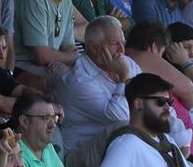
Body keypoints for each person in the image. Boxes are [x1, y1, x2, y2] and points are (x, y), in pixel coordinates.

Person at [95, 72, 193, 167]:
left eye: (169, 102)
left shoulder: (167, 141)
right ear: (138, 104)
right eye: (160, 101)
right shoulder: (127, 144)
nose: (167, 107)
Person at [59, 15, 140, 152]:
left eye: (123, 43)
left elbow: (151, 96)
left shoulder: (126, 62)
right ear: (93, 48)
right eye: (115, 43)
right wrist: (124, 77)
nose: (122, 50)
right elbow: (121, 117)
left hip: (119, 147)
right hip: (83, 155)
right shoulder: (79, 80)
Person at [12, 92, 67, 167]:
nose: (53, 124)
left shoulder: (47, 146)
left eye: (54, 118)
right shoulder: (13, 155)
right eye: (46, 118)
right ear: (24, 121)